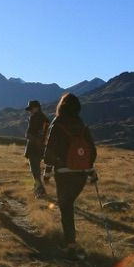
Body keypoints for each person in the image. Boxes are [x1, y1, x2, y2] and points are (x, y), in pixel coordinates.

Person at [43, 93, 97, 251]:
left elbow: (49, 153)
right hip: (81, 174)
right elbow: (92, 151)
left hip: (64, 173)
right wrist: (90, 170)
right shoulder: (82, 125)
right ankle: (71, 240)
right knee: (68, 204)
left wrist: (48, 171)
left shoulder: (57, 124)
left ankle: (70, 244)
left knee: (65, 207)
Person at [24, 100, 49, 198]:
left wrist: (28, 135)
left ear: (36, 108)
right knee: (36, 168)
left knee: (35, 170)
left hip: (33, 147)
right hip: (41, 147)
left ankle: (40, 191)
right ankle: (37, 189)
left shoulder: (34, 118)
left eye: (31, 109)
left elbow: (28, 134)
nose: (30, 111)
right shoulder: (45, 118)